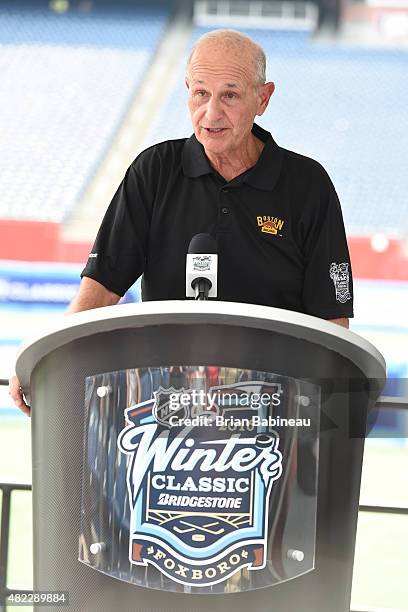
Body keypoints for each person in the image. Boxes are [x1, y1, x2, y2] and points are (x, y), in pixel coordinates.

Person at [9, 29, 353, 416]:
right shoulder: (154, 171)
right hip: (166, 409)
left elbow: (331, 322)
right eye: (200, 93)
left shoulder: (308, 185)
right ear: (187, 89)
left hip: (271, 413)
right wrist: (44, 351)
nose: (211, 113)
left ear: (264, 98)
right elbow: (101, 289)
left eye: (231, 95)